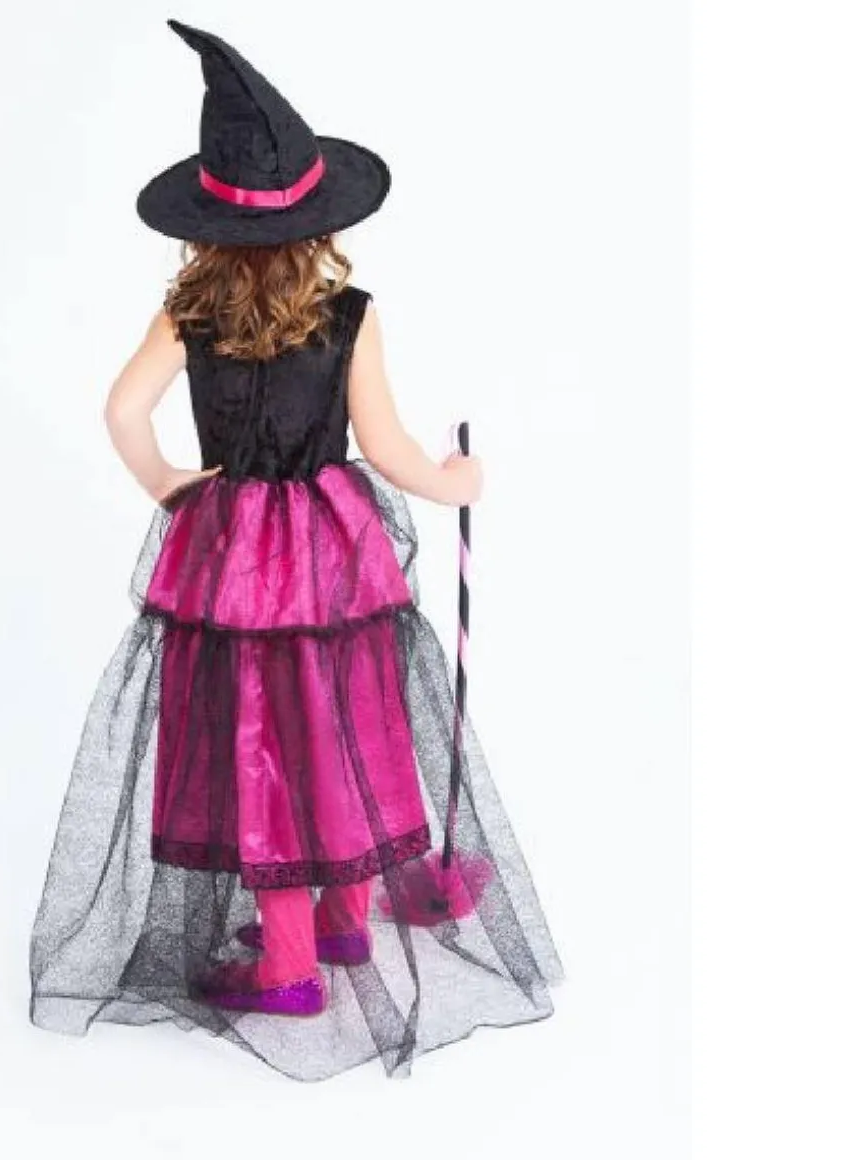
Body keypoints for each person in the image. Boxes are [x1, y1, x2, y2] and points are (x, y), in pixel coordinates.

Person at [29, 19, 562, 1081]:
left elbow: (123, 411)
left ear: (207, 224)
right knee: (343, 720)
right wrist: (453, 483)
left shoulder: (185, 313)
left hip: (231, 555)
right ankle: (335, 927)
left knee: (255, 739)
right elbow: (387, 447)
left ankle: (289, 955)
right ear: (322, 220)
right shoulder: (349, 315)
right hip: (331, 548)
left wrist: (170, 484)